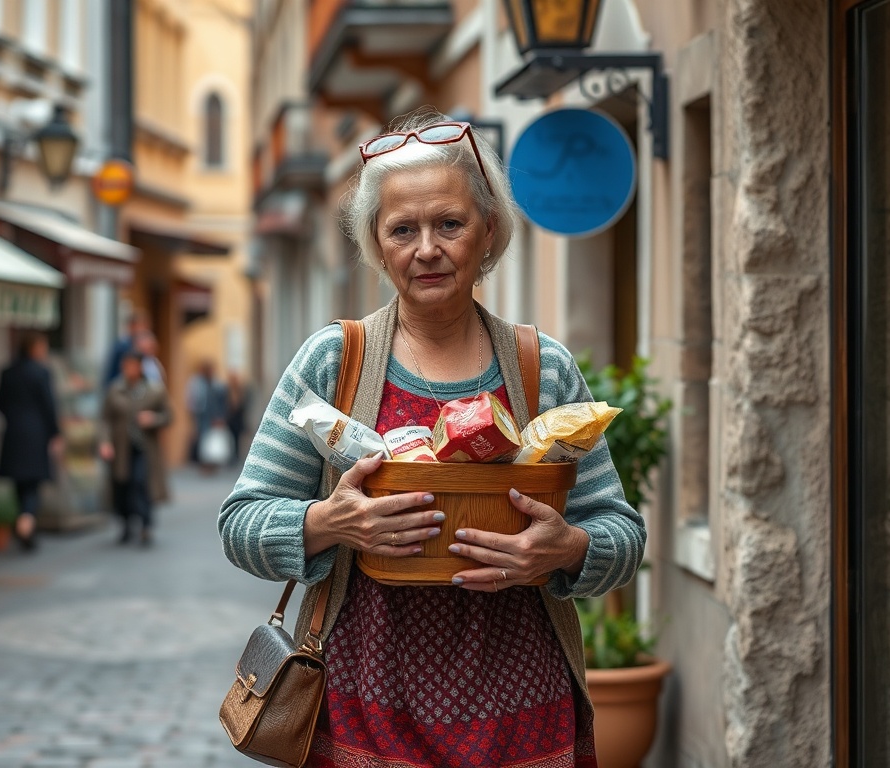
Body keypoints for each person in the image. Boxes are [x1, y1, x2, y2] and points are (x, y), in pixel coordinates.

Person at [219, 110, 645, 767]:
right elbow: (240, 523)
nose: (426, 249)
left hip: (525, 718)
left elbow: (622, 535)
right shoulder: (335, 362)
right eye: (402, 229)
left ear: (489, 230)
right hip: (362, 714)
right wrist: (330, 522)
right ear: (376, 243)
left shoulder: (542, 368)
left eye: (449, 223)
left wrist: (567, 547)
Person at [0, 332, 62, 551]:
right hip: (36, 434)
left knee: (19, 483)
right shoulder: (41, 373)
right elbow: (49, 406)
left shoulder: (7, 372)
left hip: (13, 433)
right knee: (33, 484)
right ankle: (27, 519)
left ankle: (25, 524)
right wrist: (55, 433)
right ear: (33, 348)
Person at [99, 351, 172, 546]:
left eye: (132, 365)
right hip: (121, 449)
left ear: (140, 367)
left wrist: (153, 419)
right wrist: (105, 442)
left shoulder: (154, 390)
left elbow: (169, 415)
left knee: (141, 485)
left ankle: (146, 526)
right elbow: (105, 419)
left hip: (145, 449)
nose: (128, 369)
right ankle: (126, 525)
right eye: (126, 365)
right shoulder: (115, 389)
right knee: (123, 486)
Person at [186, 361, 228, 467]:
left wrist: (219, 416)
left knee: (211, 438)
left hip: (212, 416)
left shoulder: (216, 383)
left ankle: (212, 460)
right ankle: (204, 461)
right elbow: (192, 400)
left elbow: (221, 401)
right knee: (202, 438)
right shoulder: (196, 383)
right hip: (201, 414)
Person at [104, 309, 149, 386]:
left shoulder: (143, 345)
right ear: (132, 326)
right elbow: (111, 372)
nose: (142, 329)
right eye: (139, 325)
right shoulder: (122, 346)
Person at [224, 370, 250, 464]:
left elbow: (243, 406)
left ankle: (236, 456)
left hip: (237, 419)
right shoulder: (227, 391)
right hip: (231, 419)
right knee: (230, 438)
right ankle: (231, 456)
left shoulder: (241, 391)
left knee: (237, 438)